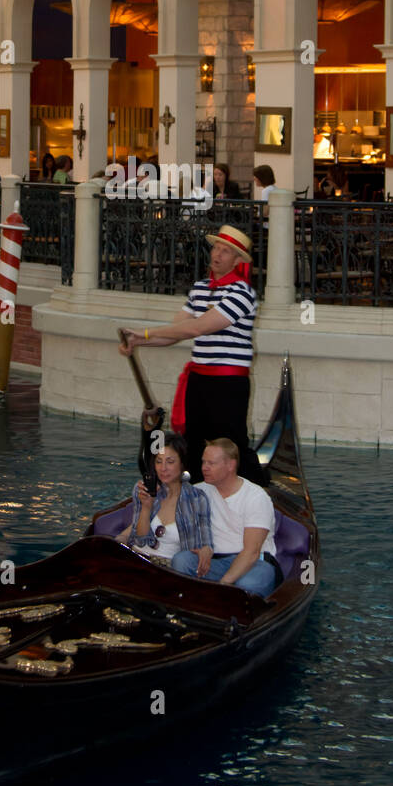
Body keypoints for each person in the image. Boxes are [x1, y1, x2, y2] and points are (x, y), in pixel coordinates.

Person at [119, 223, 264, 486]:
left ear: (237, 260)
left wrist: (145, 333)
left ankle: (249, 493)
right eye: (216, 248)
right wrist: (137, 341)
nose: (217, 255)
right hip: (198, 381)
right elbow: (176, 331)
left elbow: (198, 327)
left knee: (231, 445)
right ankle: (196, 496)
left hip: (228, 384)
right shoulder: (199, 289)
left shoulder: (243, 294)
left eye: (226, 251)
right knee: (195, 446)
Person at [170, 439, 280, 597]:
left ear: (230, 465)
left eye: (211, 463)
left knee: (245, 586)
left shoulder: (256, 497)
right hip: (215, 561)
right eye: (203, 462)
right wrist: (203, 547)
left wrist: (223, 585)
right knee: (181, 561)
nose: (204, 468)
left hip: (255, 563)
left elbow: (252, 552)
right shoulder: (199, 491)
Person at [115, 433, 213, 569]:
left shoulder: (196, 498)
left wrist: (206, 549)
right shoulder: (144, 489)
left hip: (170, 568)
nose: (163, 468)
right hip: (138, 559)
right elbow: (140, 541)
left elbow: (204, 541)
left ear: (182, 464)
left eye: (170, 462)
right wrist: (146, 507)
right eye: (158, 461)